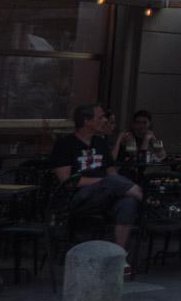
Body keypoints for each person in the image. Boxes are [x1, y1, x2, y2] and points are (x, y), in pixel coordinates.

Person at [49, 105, 141, 255]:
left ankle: (119, 256)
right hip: (75, 198)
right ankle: (146, 199)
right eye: (100, 117)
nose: (105, 120)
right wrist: (104, 183)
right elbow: (67, 181)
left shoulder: (101, 143)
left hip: (104, 195)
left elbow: (112, 174)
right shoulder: (65, 144)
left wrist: (115, 185)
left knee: (128, 203)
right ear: (87, 121)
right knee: (112, 183)